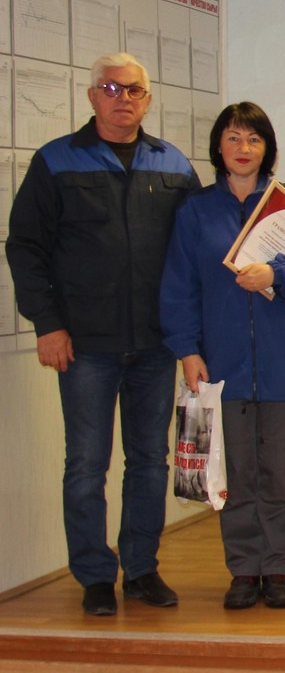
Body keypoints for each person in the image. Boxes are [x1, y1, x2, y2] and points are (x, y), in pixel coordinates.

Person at [7, 53, 200, 616]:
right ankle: (94, 575)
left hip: (155, 344)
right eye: (111, 89)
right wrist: (48, 324)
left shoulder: (172, 164)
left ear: (147, 99)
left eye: (134, 90)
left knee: (149, 461)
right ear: (93, 96)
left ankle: (141, 569)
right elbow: (26, 248)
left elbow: (193, 251)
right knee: (87, 465)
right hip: (85, 345)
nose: (123, 98)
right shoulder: (56, 161)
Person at [160, 102, 285, 609]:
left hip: (284, 363)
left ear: (267, 148)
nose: (243, 148)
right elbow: (179, 286)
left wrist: (276, 274)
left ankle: (276, 569)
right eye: (233, 138)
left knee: (280, 471)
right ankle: (242, 570)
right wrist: (187, 350)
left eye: (253, 139)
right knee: (235, 472)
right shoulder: (196, 210)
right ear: (219, 146)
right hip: (220, 365)